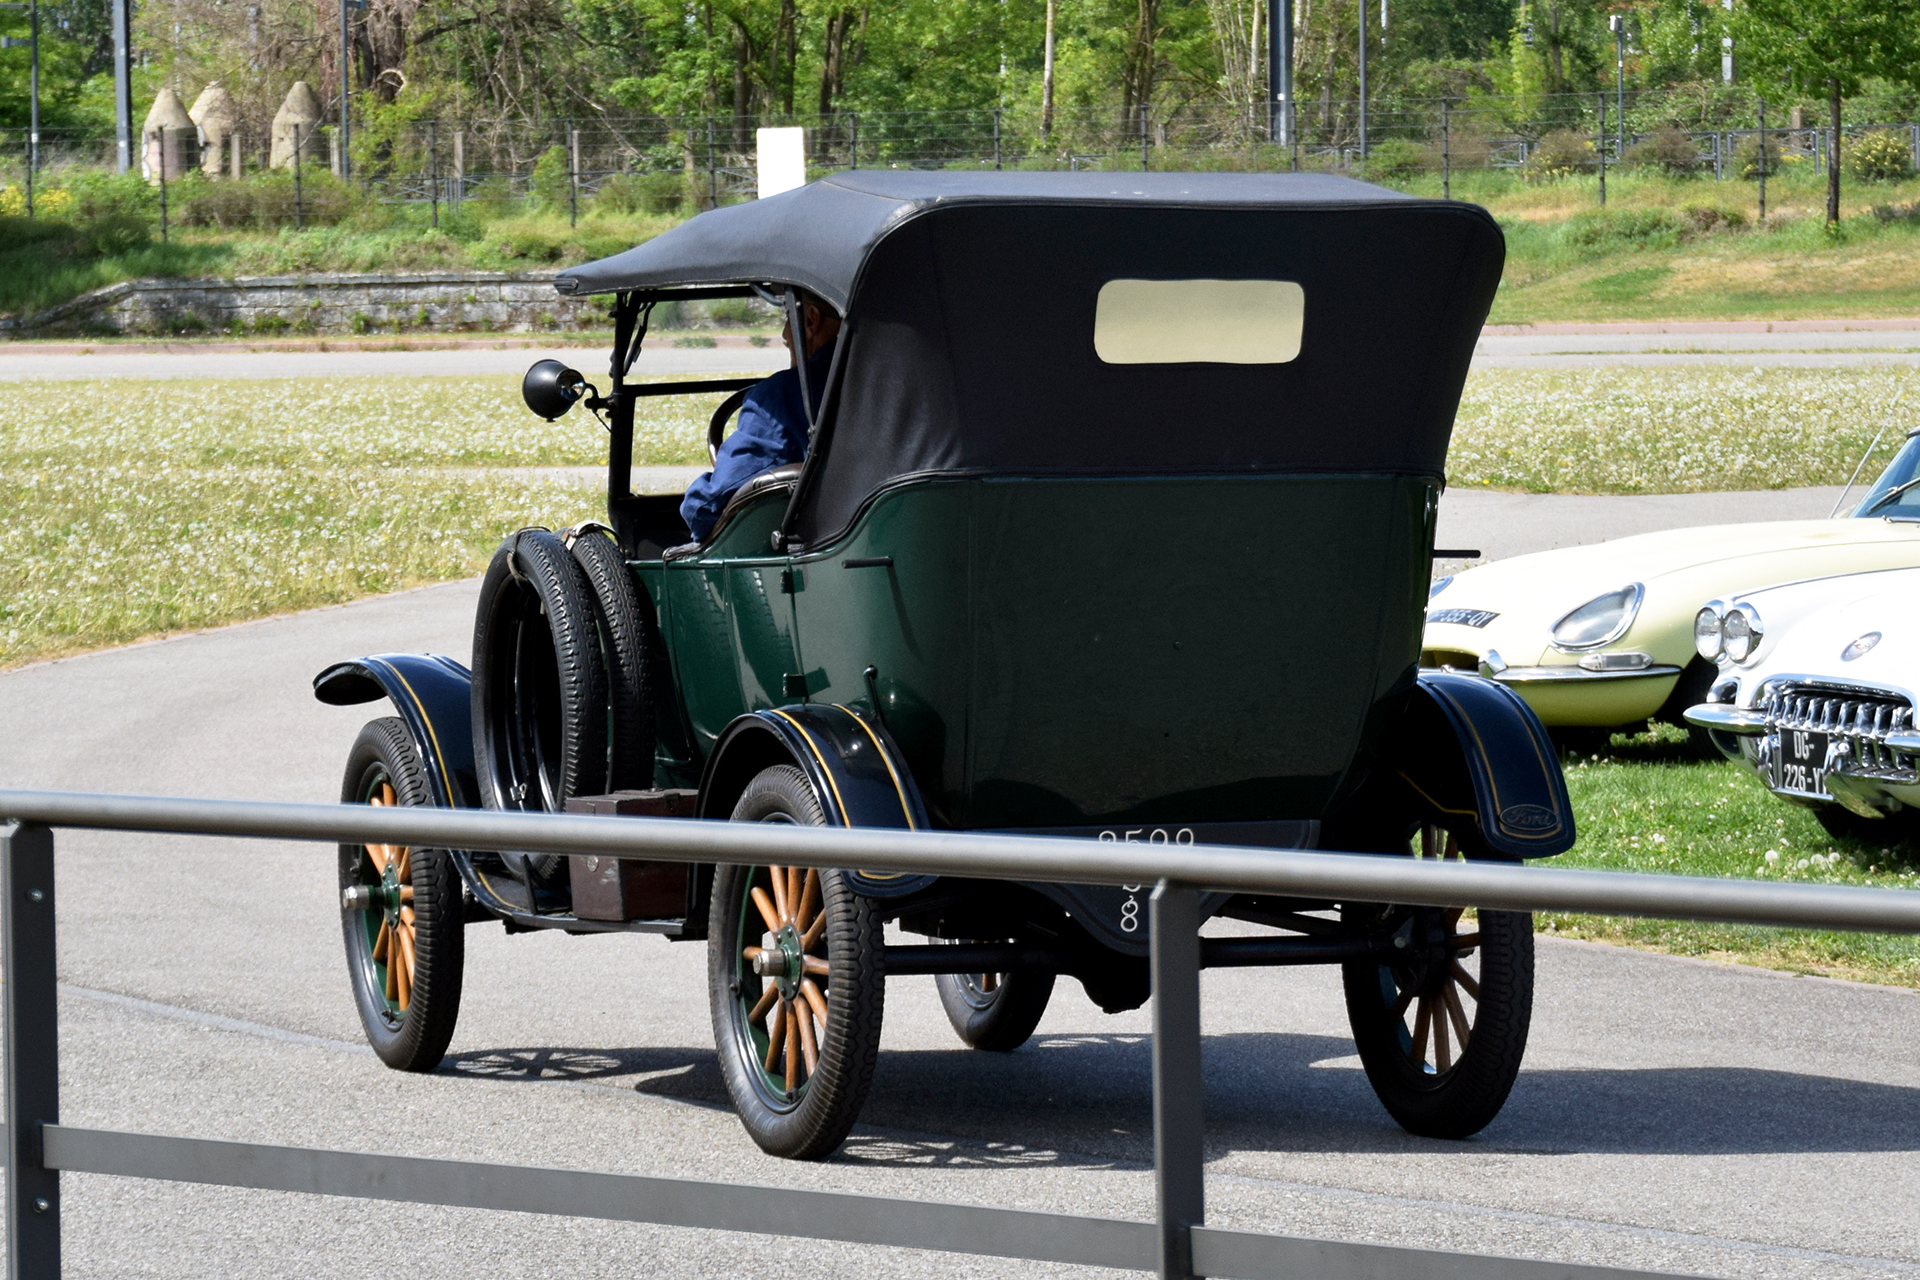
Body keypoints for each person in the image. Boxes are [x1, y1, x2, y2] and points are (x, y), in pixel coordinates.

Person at [679, 290, 841, 542]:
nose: (785, 332)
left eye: (788, 314)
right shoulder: (917, 383)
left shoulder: (781, 397)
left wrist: (695, 502)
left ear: (810, 319)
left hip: (815, 554)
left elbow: (708, 509)